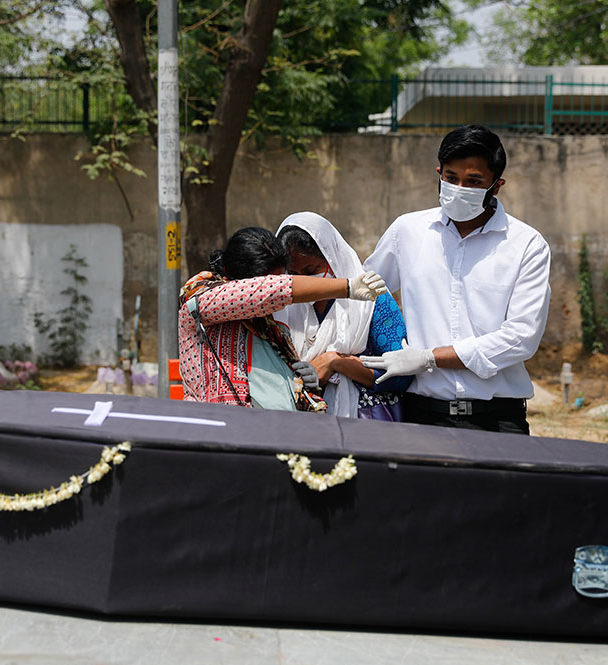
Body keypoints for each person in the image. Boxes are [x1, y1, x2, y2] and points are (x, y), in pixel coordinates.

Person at [361, 124, 551, 434]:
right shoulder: (407, 231)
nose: (459, 187)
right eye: (451, 178)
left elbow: (520, 338)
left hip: (497, 419)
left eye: (474, 181)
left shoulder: (526, 245)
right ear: (439, 173)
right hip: (421, 415)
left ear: (496, 186)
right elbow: (364, 297)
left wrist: (428, 358)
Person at [178, 227, 386, 411]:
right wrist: (347, 287)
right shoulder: (202, 299)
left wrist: (303, 382)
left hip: (270, 431)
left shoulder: (268, 322)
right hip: (218, 424)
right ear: (243, 279)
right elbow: (269, 292)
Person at [275, 212, 411, 419]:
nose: (304, 281)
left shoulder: (371, 300)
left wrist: (337, 363)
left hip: (360, 424)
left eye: (311, 270)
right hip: (292, 421)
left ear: (332, 258)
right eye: (293, 273)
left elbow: (401, 375)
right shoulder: (280, 304)